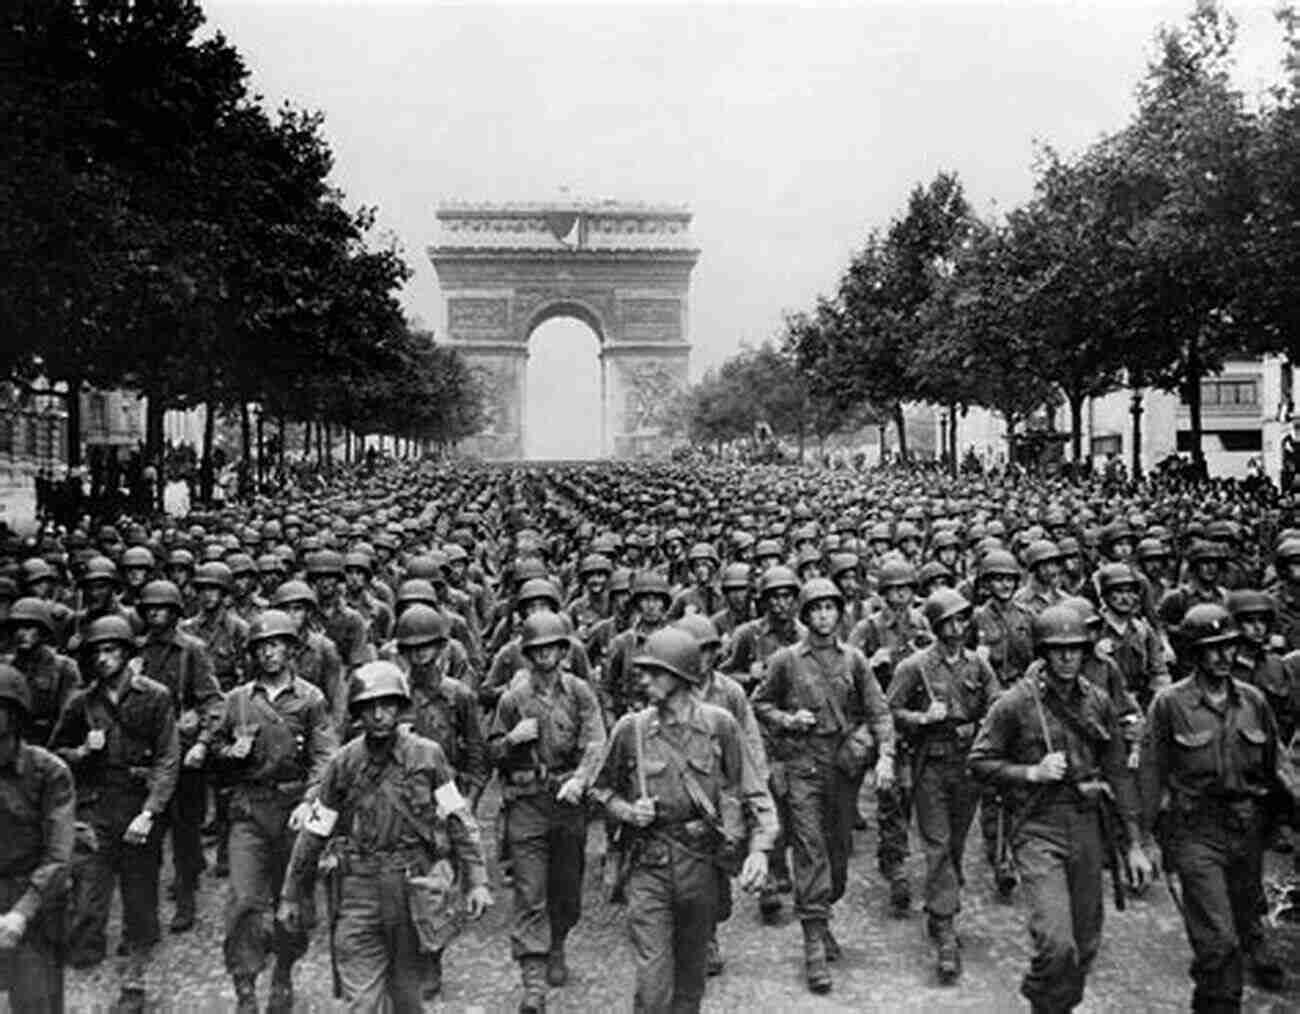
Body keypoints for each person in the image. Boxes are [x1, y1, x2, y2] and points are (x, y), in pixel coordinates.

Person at [276, 661, 492, 1012]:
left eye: (387, 705)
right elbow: (314, 832)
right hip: (357, 890)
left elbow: (457, 818)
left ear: (400, 708)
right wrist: (291, 893)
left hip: (411, 889)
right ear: (358, 713)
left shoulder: (428, 755)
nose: (378, 715)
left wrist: (478, 880)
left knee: (408, 996)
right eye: (369, 707)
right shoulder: (343, 763)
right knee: (361, 1002)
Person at [968, 604, 1153, 1014]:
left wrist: (1135, 844)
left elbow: (1119, 773)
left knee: (1085, 944)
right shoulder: (1016, 702)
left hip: (1088, 824)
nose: (1068, 657)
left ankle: (1055, 1006)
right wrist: (1031, 772)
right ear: (1043, 653)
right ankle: (1042, 999)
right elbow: (979, 762)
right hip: (1037, 825)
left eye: (1075, 649)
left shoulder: (1099, 701)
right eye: (1058, 650)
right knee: (1055, 943)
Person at [589, 626, 776, 1013]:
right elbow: (600, 789)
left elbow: (754, 790)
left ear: (681, 676)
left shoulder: (719, 725)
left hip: (701, 865)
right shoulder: (632, 729)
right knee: (654, 983)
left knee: (692, 980)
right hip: (650, 864)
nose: (644, 680)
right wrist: (627, 811)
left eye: (655, 673)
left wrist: (759, 850)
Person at [1139, 604, 1289, 1011]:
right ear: (1193, 653)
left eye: (1229, 646)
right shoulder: (1169, 704)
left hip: (1247, 829)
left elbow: (1279, 768)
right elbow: (1150, 773)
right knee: (1217, 941)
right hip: (1195, 833)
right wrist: (1144, 841)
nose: (1223, 656)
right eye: (1212, 648)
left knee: (1238, 936)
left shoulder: (1253, 701)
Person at [752, 578, 895, 993]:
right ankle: (813, 942)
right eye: (815, 610)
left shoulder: (854, 660)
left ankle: (821, 915)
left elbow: (879, 711)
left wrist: (885, 755)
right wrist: (787, 720)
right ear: (805, 615)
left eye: (830, 608)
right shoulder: (786, 660)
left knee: (838, 858)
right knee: (811, 851)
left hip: (843, 768)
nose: (823, 616)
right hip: (803, 765)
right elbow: (760, 703)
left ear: (839, 613)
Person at [49, 616, 179, 1013]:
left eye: (111, 651)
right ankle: (85, 957)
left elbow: (168, 758)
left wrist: (150, 811)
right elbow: (54, 755)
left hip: (138, 806)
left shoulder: (154, 696)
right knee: (89, 896)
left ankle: (135, 978)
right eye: (97, 653)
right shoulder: (81, 702)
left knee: (139, 897)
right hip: (96, 806)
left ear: (126, 654)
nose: (103, 659)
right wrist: (83, 752)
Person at [212, 610, 338, 1013]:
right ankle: (245, 983)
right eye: (262, 647)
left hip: (294, 808)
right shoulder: (237, 701)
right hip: (249, 808)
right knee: (244, 900)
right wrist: (228, 753)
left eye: (277, 645)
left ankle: (283, 971)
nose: (269, 654)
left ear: (291, 651)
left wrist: (309, 800)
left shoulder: (311, 698)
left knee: (293, 899)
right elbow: (211, 752)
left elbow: (325, 757)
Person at [488, 612, 606, 1013]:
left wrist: (582, 779)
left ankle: (557, 943)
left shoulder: (579, 693)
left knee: (566, 892)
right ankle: (533, 982)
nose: (544, 656)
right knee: (529, 892)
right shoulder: (513, 698)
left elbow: (596, 741)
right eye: (536, 649)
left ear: (562, 651)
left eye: (551, 648)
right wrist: (511, 741)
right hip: (526, 803)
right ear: (527, 654)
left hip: (568, 803)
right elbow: (489, 752)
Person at [887, 588, 998, 983]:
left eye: (962, 620)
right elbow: (890, 711)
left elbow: (997, 708)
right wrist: (921, 718)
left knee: (954, 844)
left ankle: (941, 906)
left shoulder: (978, 666)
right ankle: (945, 926)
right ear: (935, 627)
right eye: (949, 621)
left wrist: (981, 729)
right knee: (936, 844)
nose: (957, 627)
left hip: (967, 764)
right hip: (930, 763)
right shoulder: (914, 667)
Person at [673, 613, 767, 976]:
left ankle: (709, 923)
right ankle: (702, 938)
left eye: (707, 651)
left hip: (722, 795)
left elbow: (751, 741)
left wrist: (755, 789)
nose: (700, 659)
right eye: (693, 651)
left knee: (718, 877)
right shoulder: (668, 689)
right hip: (680, 796)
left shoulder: (731, 692)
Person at [134, 579, 223, 934]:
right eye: (150, 608)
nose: (156, 613)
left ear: (175, 612)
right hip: (145, 756)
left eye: (163, 608)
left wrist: (203, 740)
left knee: (185, 836)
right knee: (144, 840)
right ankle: (142, 919)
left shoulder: (192, 651)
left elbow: (213, 702)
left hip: (184, 755)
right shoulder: (137, 651)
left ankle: (185, 901)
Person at [0, 664, 75, 1014]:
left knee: (36, 1002)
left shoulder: (48, 771)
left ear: (13, 718)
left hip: (34, 901)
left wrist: (21, 912)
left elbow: (58, 855)